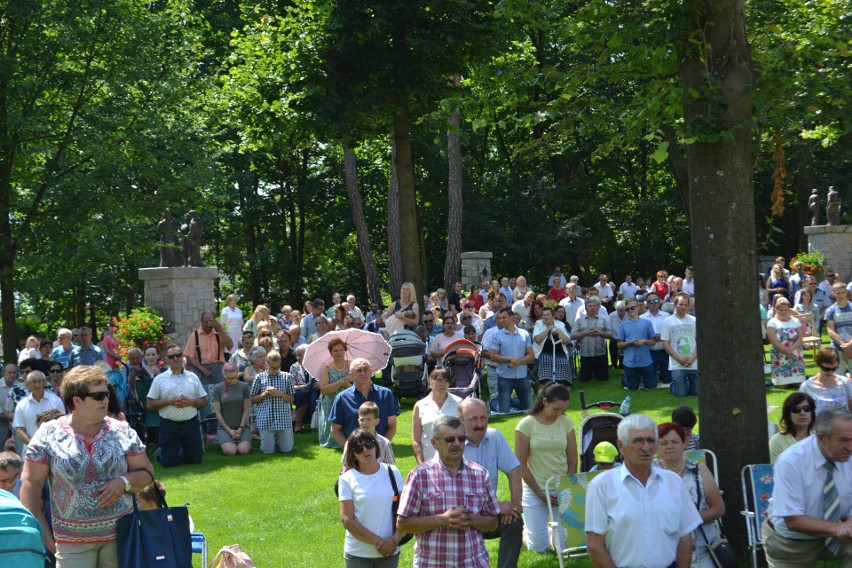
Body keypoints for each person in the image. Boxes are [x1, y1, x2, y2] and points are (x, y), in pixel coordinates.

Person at [21, 366, 155, 566]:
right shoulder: (48, 434)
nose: (106, 400)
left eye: (107, 393)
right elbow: (31, 482)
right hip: (72, 543)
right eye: (99, 395)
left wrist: (124, 482)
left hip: (121, 537)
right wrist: (30, 529)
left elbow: (147, 473)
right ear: (77, 401)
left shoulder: (122, 430)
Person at [585, 414, 702, 568]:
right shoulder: (602, 486)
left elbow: (686, 538)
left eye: (651, 440)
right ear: (621, 446)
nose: (646, 448)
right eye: (638, 440)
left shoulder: (674, 482)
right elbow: (594, 546)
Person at [397, 416, 500, 568]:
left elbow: (493, 523)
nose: (456, 444)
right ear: (434, 442)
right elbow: (403, 524)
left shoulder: (480, 474)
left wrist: (471, 520)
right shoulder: (419, 476)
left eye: (461, 438)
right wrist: (443, 520)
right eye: (450, 439)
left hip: (474, 563)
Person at [763, 407, 852, 566]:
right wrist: (839, 528)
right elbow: (793, 520)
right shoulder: (791, 461)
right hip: (791, 541)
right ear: (821, 438)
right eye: (843, 440)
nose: (850, 447)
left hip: (842, 530)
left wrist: (849, 523)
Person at [458, 398, 523, 568]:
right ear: (460, 420)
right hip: (461, 518)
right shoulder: (453, 445)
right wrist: (498, 507)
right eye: (473, 419)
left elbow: (514, 470)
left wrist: (515, 505)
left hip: (488, 516)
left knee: (514, 522)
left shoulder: (494, 437)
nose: (480, 424)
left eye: (484, 418)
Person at [514, 382, 578, 553]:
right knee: (538, 548)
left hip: (560, 489)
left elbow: (572, 460)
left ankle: (548, 529)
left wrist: (565, 487)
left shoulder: (566, 423)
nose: (559, 414)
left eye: (562, 410)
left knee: (565, 549)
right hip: (535, 489)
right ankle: (526, 530)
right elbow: (520, 464)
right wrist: (539, 493)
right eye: (555, 409)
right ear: (544, 402)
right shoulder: (526, 424)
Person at [656, 422, 725, 568]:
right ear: (657, 447)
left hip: (702, 547)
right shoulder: (650, 473)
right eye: (664, 443)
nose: (670, 446)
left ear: (683, 445)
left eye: (675, 442)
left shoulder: (698, 469)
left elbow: (718, 508)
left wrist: (686, 522)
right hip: (662, 548)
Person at [338, 429, 405, 567]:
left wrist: (393, 541)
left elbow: (406, 510)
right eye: (358, 448)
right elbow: (347, 520)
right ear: (353, 454)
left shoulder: (393, 472)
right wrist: (379, 542)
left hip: (390, 551)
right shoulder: (346, 479)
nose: (365, 450)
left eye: (369, 444)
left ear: (376, 446)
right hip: (358, 554)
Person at [146, 343, 208, 467]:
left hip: (190, 424)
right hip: (169, 425)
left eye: (178, 355)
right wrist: (170, 401)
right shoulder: (159, 379)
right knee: (169, 463)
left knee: (194, 460)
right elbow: (150, 403)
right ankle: (163, 453)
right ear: (167, 359)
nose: (175, 358)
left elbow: (204, 400)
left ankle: (178, 449)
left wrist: (190, 402)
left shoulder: (193, 377)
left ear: (182, 356)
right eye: (172, 356)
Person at [329, 358, 399, 448]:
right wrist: (349, 449)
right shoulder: (342, 398)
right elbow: (335, 429)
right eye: (358, 370)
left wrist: (382, 447)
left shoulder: (386, 394)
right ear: (351, 375)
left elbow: (392, 426)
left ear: (371, 371)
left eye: (365, 369)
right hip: (355, 451)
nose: (363, 373)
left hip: (381, 449)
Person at [183, 310, 233, 424]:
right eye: (205, 322)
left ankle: (221, 424)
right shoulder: (194, 335)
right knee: (203, 398)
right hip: (201, 369)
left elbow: (230, 346)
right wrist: (202, 369)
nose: (208, 325)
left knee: (220, 397)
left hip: (218, 369)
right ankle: (205, 425)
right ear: (201, 322)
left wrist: (220, 329)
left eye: (210, 321)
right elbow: (189, 357)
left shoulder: (218, 334)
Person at [411, 368, 462, 464]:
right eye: (439, 380)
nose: (442, 384)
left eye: (446, 381)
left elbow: (464, 435)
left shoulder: (459, 403)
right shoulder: (420, 405)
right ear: (430, 381)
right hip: (428, 461)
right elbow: (416, 440)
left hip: (453, 462)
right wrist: (421, 463)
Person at [490, 308, 534, 414]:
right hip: (505, 378)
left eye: (504, 317)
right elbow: (493, 356)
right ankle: (494, 402)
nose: (501, 320)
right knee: (503, 413)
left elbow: (531, 355)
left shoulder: (525, 334)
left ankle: (496, 402)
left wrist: (518, 361)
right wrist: (510, 358)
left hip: (522, 377)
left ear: (512, 317)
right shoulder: (497, 335)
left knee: (531, 411)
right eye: (500, 318)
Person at [249, 350, 295, 454]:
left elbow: (291, 399)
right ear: (266, 363)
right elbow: (252, 399)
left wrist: (280, 393)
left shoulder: (287, 377)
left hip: (283, 420)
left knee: (287, 450)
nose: (275, 370)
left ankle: (279, 442)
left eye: (277, 367)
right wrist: (264, 394)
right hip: (266, 421)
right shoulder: (259, 378)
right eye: (272, 367)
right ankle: (272, 442)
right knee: (267, 452)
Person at [13, 371, 65, 456]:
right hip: (31, 452)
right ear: (27, 384)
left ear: (45, 382)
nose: (37, 385)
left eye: (40, 381)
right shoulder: (21, 405)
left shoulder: (56, 401)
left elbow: (63, 425)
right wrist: (34, 444)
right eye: (33, 382)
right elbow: (20, 430)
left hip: (54, 452)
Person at [317, 338, 353, 449]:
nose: (338, 353)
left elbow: (360, 386)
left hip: (349, 400)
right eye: (335, 351)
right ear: (331, 353)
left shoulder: (353, 365)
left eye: (341, 350)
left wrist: (348, 386)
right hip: (331, 401)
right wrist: (340, 383)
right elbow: (324, 389)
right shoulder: (326, 367)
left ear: (345, 350)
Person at [661, 292, 699, 397]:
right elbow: (665, 342)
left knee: (696, 393)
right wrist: (679, 359)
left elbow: (700, 342)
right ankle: (675, 385)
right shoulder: (668, 322)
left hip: (693, 362)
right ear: (675, 305)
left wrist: (692, 358)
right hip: (677, 363)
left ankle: (682, 383)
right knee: (681, 394)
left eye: (686, 305)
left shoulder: (694, 321)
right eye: (681, 304)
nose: (683, 307)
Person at [617, 298, 658, 391]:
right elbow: (619, 344)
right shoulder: (623, 325)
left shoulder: (647, 323)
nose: (630, 311)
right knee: (632, 388)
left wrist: (644, 341)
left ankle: (639, 378)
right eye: (628, 309)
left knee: (652, 386)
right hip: (630, 361)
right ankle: (625, 377)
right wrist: (631, 343)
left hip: (645, 360)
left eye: (632, 308)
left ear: (638, 308)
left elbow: (653, 342)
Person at [211, 362, 252, 456]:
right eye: (229, 378)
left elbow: (246, 410)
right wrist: (229, 430)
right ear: (224, 375)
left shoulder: (244, 387)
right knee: (231, 452)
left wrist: (241, 428)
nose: (232, 380)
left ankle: (243, 439)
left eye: (235, 377)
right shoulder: (218, 388)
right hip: (224, 428)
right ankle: (227, 439)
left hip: (242, 427)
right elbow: (218, 414)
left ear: (238, 374)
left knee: (243, 451)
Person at [798, 347, 852, 415]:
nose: (830, 372)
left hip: (842, 424)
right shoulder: (806, 387)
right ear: (819, 364)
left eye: (834, 368)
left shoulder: (845, 383)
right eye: (826, 369)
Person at [767, 296, 806, 387]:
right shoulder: (772, 322)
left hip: (795, 353)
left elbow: (800, 338)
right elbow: (773, 340)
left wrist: (791, 350)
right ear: (776, 310)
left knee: (799, 385)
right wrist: (785, 351)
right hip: (780, 355)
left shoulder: (796, 321)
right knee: (782, 386)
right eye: (781, 310)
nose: (784, 312)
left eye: (786, 310)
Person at [574, 297, 615, 382]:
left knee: (603, 378)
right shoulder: (579, 321)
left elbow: (611, 335)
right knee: (584, 379)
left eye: (594, 306)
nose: (592, 308)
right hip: (585, 355)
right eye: (590, 306)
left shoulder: (603, 320)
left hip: (600, 355)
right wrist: (585, 332)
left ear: (598, 307)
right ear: (585, 308)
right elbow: (573, 336)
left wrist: (601, 333)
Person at [769, 392, 816, 463]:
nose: (802, 413)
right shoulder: (777, 441)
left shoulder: (820, 438)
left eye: (807, 409)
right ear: (788, 414)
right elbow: (775, 470)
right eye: (796, 409)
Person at [532, 306, 572, 386]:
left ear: (553, 316)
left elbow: (566, 341)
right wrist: (548, 330)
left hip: (560, 353)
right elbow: (537, 340)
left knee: (563, 362)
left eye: (548, 315)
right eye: (543, 315)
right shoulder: (538, 324)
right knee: (545, 360)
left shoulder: (560, 324)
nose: (545, 317)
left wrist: (558, 331)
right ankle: (546, 384)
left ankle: (563, 385)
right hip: (544, 353)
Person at [825, 281, 852, 376]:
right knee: (838, 377)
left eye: (843, 292)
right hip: (838, 347)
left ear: (847, 293)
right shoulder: (830, 310)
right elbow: (830, 331)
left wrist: (849, 345)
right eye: (838, 293)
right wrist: (844, 346)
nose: (841, 295)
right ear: (833, 293)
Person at [290, 344, 316, 434]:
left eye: (301, 355)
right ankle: (299, 421)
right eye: (297, 355)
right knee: (304, 394)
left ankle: (296, 420)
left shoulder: (315, 366)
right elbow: (291, 385)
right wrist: (305, 386)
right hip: (298, 392)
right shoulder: (294, 367)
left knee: (311, 393)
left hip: (313, 391)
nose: (298, 357)